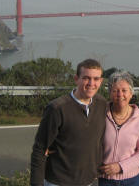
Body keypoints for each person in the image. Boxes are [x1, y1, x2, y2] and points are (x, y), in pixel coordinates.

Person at [30, 58, 107, 186]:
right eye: (86, 78)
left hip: (88, 181)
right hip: (58, 181)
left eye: (96, 79)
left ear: (101, 81)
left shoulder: (102, 104)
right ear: (76, 79)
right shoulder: (57, 108)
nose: (91, 83)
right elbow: (39, 149)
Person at [99, 71, 139, 186]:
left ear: (131, 93)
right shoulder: (100, 113)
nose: (120, 94)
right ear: (110, 94)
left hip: (131, 180)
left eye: (124, 90)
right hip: (103, 180)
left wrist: (121, 167)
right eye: (115, 90)